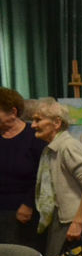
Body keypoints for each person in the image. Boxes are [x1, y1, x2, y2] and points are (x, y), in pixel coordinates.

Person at [31, 98, 82, 256]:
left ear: (56, 123)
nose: (33, 125)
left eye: (38, 120)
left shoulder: (68, 146)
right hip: (62, 219)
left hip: (73, 221)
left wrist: (77, 222)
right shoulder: (56, 148)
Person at [0, 87, 46, 247]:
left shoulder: (35, 136)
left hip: (24, 213)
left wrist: (28, 204)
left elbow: (42, 175)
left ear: (13, 112)